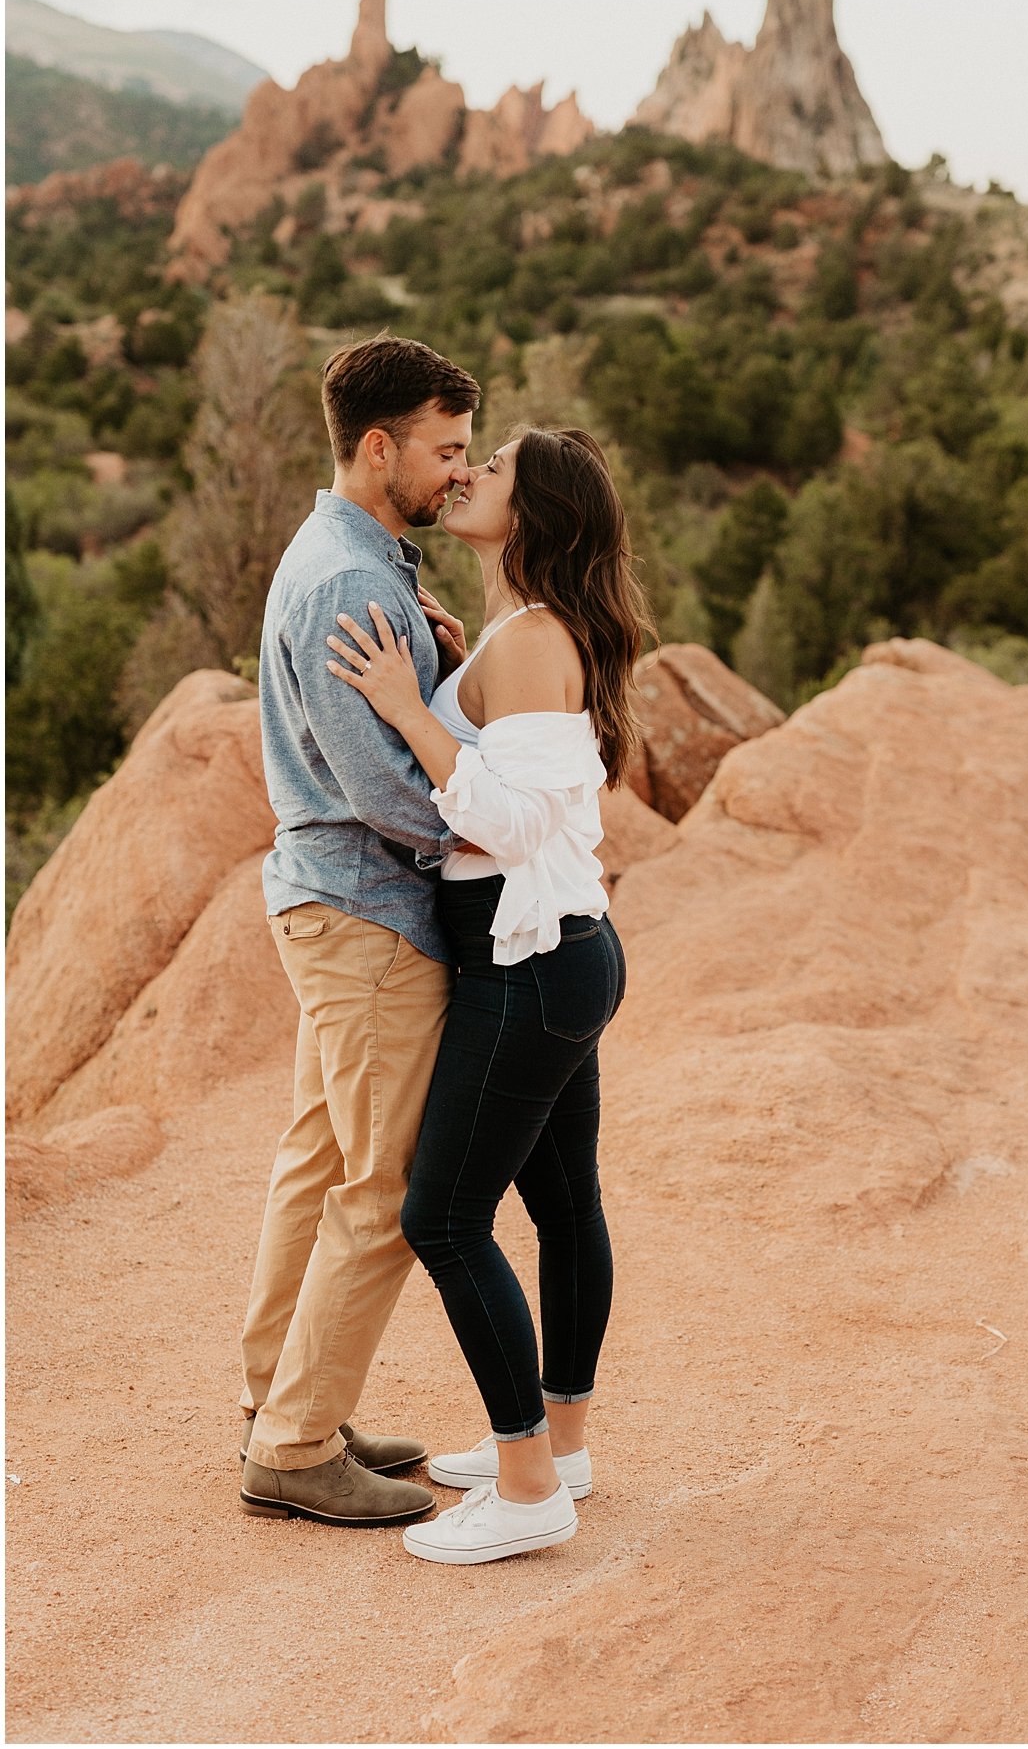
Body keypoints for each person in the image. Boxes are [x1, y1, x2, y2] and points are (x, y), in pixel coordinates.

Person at [326, 425, 648, 1565]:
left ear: (537, 510)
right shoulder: (521, 635)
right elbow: (521, 775)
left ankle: (526, 1488)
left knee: (443, 1215)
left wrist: (415, 706)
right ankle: (562, 1448)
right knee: (563, 1206)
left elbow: (503, 823)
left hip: (526, 956)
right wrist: (457, 678)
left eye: (491, 464)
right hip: (558, 949)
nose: (464, 472)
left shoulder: (533, 640)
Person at [238, 335, 480, 1527]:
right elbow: (381, 784)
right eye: (443, 450)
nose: (456, 473)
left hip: (328, 899)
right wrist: (482, 828)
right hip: (370, 911)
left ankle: (282, 1401)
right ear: (377, 445)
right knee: (381, 1188)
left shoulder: (349, 555)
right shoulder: (351, 578)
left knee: (318, 1161)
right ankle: (291, 1441)